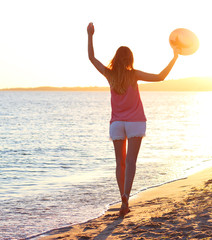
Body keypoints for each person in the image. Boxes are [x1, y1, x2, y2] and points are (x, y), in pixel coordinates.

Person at [87, 22, 179, 216]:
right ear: (130, 59)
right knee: (131, 163)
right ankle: (126, 198)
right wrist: (175, 58)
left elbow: (91, 58)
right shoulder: (134, 74)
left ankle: (122, 196)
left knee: (119, 162)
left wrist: (90, 35)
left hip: (117, 124)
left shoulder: (109, 74)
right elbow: (160, 77)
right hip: (136, 122)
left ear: (116, 59)